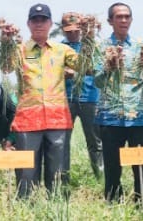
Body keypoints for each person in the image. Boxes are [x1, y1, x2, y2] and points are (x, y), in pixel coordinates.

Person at [11, 4, 78, 198]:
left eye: (43, 20)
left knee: (58, 171)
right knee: (26, 172)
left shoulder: (62, 50)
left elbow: (85, 67)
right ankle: (26, 210)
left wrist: (88, 37)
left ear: (50, 23)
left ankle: (57, 210)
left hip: (57, 120)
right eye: (35, 20)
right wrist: (5, 41)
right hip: (28, 120)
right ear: (28, 24)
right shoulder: (19, 50)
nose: (39, 24)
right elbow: (5, 68)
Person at [94, 3, 143, 203]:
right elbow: (97, 81)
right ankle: (113, 202)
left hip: (138, 116)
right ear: (110, 21)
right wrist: (108, 67)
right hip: (110, 117)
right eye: (118, 17)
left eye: (127, 16)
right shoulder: (100, 47)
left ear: (131, 19)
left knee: (141, 164)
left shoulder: (142, 45)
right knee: (113, 166)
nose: (123, 20)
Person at [60, 12, 103, 180]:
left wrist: (75, 72)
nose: (72, 34)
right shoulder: (58, 48)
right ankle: (63, 178)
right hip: (66, 100)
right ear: (63, 30)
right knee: (62, 142)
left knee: (95, 142)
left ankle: (100, 176)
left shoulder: (92, 47)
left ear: (82, 28)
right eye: (68, 31)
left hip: (90, 99)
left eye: (76, 30)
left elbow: (97, 69)